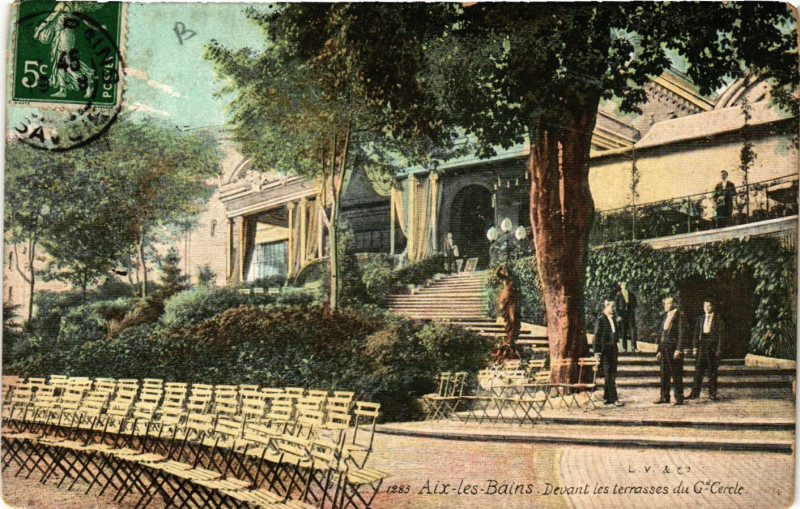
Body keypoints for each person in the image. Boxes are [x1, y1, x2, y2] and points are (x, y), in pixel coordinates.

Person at [687, 299, 726, 401]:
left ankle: (712, 394)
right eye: (705, 306)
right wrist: (695, 347)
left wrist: (718, 350)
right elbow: (696, 334)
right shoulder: (700, 319)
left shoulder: (718, 319)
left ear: (713, 306)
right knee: (698, 371)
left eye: (709, 306)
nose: (707, 308)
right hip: (701, 347)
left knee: (712, 371)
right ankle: (694, 393)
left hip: (712, 348)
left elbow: (721, 336)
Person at [653, 296, 686, 405]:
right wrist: (659, 350)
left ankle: (679, 398)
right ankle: (664, 397)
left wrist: (678, 349)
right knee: (664, 374)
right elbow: (661, 334)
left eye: (668, 303)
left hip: (673, 349)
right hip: (664, 349)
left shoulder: (679, 316)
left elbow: (681, 334)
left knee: (676, 374)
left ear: (674, 304)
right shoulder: (665, 316)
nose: (666, 306)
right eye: (665, 303)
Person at [593, 300, 623, 406]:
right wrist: (597, 351)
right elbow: (597, 336)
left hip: (613, 349)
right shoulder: (601, 319)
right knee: (609, 374)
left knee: (611, 374)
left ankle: (607, 398)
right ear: (606, 307)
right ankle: (614, 399)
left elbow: (615, 333)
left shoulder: (613, 319)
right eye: (612, 307)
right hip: (605, 351)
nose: (614, 309)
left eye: (615, 307)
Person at [491, 265, 521, 362]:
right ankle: (509, 340)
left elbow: (518, 290)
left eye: (504, 270)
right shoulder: (504, 278)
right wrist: (500, 267)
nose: (503, 271)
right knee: (510, 319)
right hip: (506, 299)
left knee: (514, 319)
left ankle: (511, 339)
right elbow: (497, 274)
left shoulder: (513, 278)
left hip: (512, 299)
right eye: (502, 270)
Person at [613, 281, 638, 352]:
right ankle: (624, 348)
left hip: (630, 315)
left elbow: (635, 304)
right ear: (621, 286)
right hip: (622, 315)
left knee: (633, 330)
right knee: (623, 331)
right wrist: (618, 315)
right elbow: (616, 307)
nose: (625, 286)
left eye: (626, 285)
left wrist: (630, 307)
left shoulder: (631, 295)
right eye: (623, 285)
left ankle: (634, 347)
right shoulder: (618, 295)